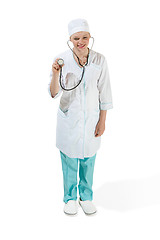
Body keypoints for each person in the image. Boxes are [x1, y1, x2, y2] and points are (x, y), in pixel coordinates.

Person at [48, 18, 113, 215]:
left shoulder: (99, 60)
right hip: (69, 120)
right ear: (70, 39)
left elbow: (105, 92)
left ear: (90, 37)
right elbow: (53, 93)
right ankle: (69, 199)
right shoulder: (61, 60)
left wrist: (102, 121)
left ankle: (86, 197)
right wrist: (55, 73)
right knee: (69, 160)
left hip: (91, 120)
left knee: (88, 159)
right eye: (76, 38)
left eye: (85, 37)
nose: (81, 41)